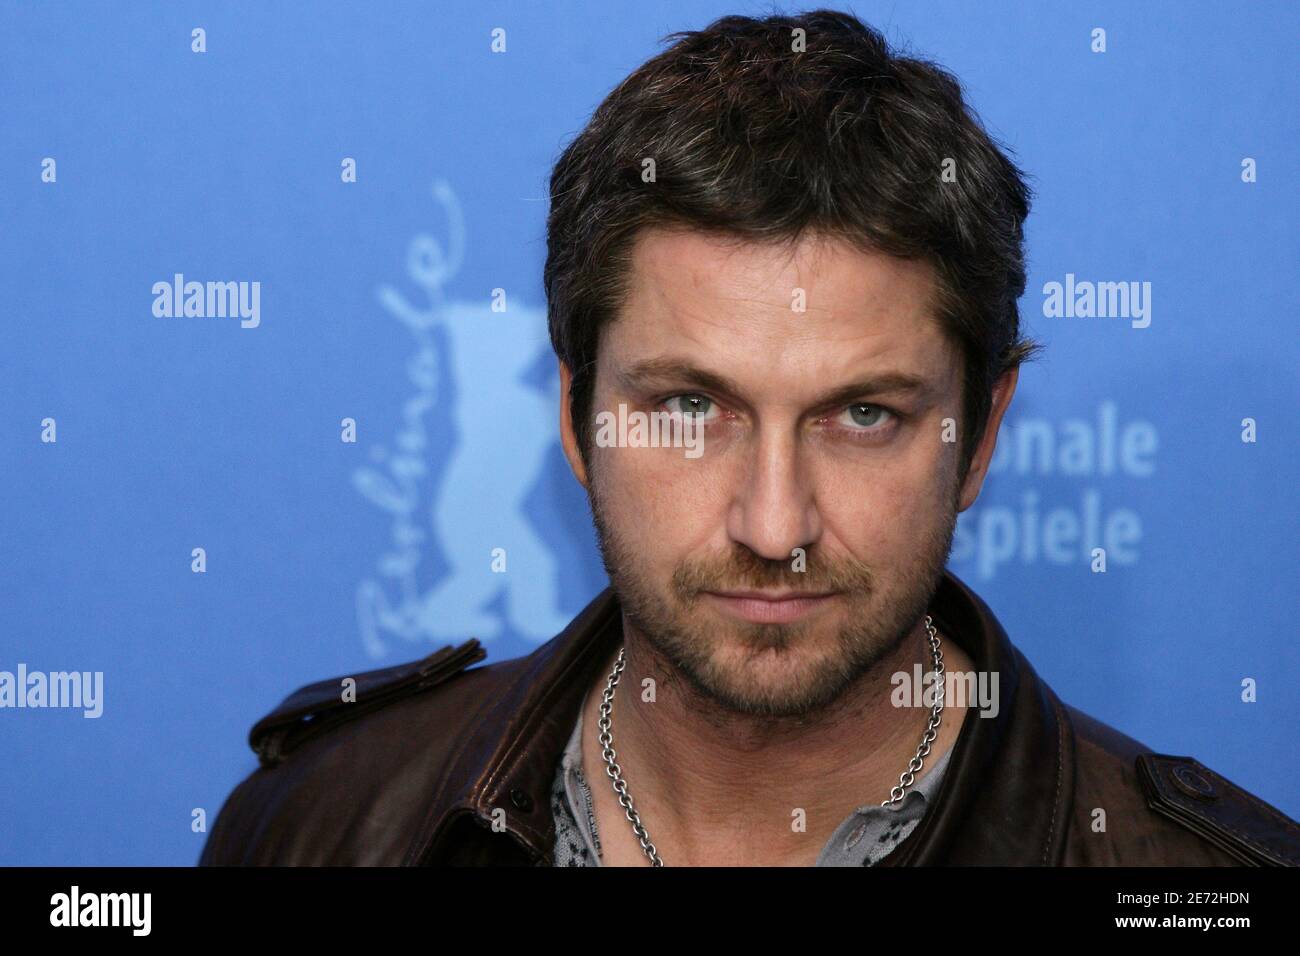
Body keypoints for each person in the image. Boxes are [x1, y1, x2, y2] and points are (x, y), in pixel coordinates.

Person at [199, 9, 1298, 867]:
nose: (775, 524)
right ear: (579, 420)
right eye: (688, 409)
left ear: (981, 433)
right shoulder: (321, 828)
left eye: (862, 415)